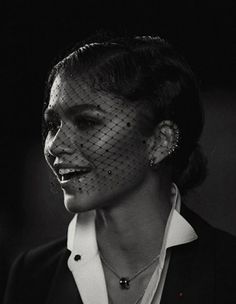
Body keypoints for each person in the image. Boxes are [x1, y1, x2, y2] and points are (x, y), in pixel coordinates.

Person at [3, 34, 236, 304]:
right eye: (53, 125)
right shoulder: (32, 276)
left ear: (160, 142)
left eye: (87, 122)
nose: (55, 145)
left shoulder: (228, 270)